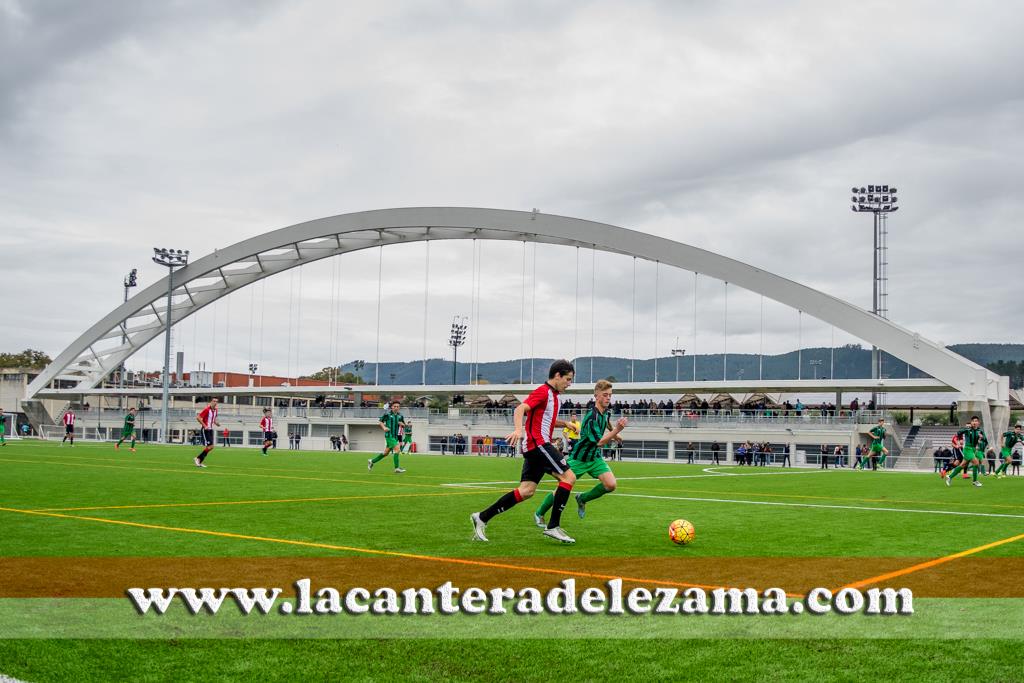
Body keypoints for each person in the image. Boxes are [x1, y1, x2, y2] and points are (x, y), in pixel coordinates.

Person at [470, 359, 577, 544]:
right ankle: (553, 527)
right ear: (557, 376)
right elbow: (520, 408)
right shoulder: (543, 392)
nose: (569, 384)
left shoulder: (553, 396)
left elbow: (545, 419)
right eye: (567, 379)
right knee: (569, 478)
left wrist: (565, 423)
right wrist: (519, 430)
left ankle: (482, 517)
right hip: (539, 445)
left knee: (526, 491)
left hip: (535, 446)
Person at [534, 379, 627, 527]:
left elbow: (607, 423)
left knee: (611, 485)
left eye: (610, 395)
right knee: (561, 489)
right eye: (605, 395)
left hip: (594, 457)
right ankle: (539, 513)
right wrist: (617, 431)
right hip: (579, 459)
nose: (608, 398)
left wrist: (615, 434)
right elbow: (599, 442)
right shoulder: (591, 417)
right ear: (596, 396)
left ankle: (582, 499)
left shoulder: (605, 412)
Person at [944, 416, 985, 487]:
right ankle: (975, 481)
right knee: (976, 462)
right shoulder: (967, 430)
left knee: (962, 465)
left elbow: (982, 439)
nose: (974, 422)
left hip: (973, 449)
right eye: (973, 421)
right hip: (967, 449)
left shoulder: (980, 431)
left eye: (976, 421)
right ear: (971, 422)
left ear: (978, 423)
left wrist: (981, 438)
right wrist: (958, 442)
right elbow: (957, 434)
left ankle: (949, 477)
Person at [369, 400, 406, 473]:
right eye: (394, 406)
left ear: (399, 407)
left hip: (395, 436)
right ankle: (397, 468)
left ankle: (372, 461)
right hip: (389, 435)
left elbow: (403, 424)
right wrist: (384, 428)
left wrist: (402, 424)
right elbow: (380, 421)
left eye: (397, 406)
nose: (396, 408)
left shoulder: (400, 416)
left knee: (385, 453)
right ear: (391, 407)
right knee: (397, 450)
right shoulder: (387, 414)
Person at [194, 398, 221, 468]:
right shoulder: (207, 409)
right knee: (210, 446)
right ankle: (198, 459)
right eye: (214, 401)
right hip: (205, 430)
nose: (215, 403)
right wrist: (204, 425)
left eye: (216, 402)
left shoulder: (216, 410)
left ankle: (199, 460)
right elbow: (198, 417)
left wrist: (216, 423)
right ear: (211, 402)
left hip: (210, 430)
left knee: (211, 447)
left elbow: (213, 419)